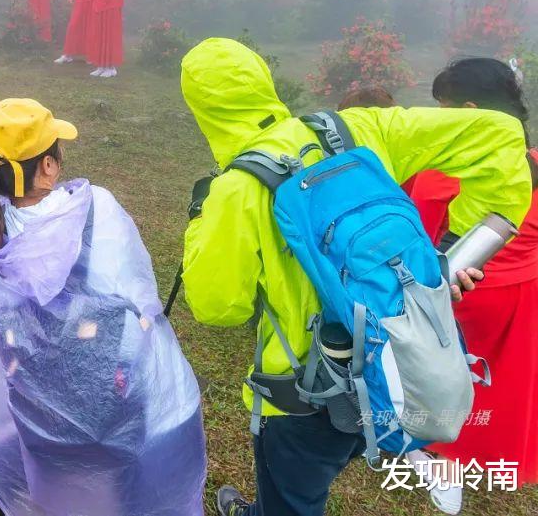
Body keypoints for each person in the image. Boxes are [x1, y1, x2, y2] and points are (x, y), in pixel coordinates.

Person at [178, 38, 531, 516]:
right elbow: (498, 135)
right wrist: (451, 255)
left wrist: (202, 222)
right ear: (264, 79)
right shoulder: (358, 127)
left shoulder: (234, 191)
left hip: (306, 394)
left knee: (293, 499)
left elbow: (219, 308)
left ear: (201, 110)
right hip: (394, 365)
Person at [0, 98, 207, 516]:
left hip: (30, 382)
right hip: (109, 385)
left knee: (46, 469)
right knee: (117, 479)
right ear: (49, 166)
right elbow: (133, 290)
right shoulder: (95, 208)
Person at [402, 58, 538, 514]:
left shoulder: (443, 176)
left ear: (472, 110)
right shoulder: (532, 161)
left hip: (462, 297)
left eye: (443, 108)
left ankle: (436, 458)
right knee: (499, 386)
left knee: (440, 376)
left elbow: (416, 241)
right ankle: (478, 452)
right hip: (523, 299)